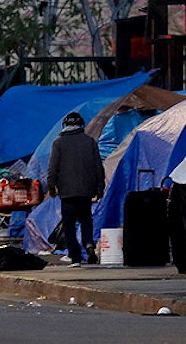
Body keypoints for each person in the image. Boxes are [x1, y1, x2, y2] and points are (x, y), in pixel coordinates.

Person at [47, 112, 105, 267]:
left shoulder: (58, 143)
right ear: (82, 125)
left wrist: (51, 187)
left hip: (67, 192)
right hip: (86, 190)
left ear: (65, 125)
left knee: (69, 224)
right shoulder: (90, 142)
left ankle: (75, 257)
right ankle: (88, 244)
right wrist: (100, 188)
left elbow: (53, 169)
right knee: (86, 219)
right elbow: (98, 167)